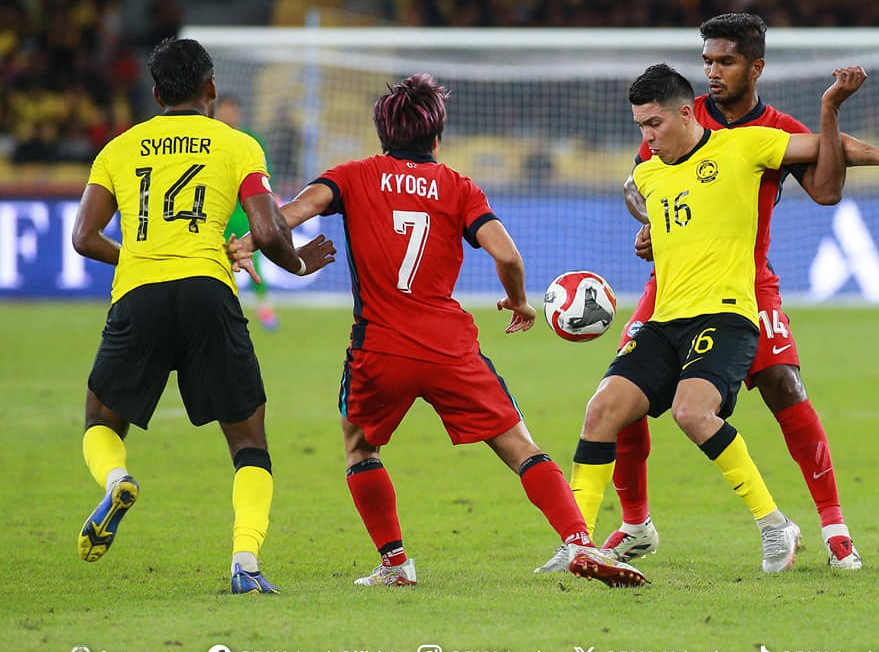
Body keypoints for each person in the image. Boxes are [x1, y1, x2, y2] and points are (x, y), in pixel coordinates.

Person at [537, 15, 879, 576]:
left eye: (725, 61)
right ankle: (634, 525)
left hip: (746, 280)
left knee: (782, 384)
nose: (712, 72)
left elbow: (826, 177)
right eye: (707, 60)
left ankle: (833, 526)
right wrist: (656, 226)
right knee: (618, 399)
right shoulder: (677, 111)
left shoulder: (766, 131)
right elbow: (643, 186)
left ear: (755, 67)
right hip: (673, 284)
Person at [230, 73, 647, 588]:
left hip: (380, 347)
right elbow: (508, 253)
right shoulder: (459, 187)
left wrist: (249, 241)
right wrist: (518, 300)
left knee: (360, 447)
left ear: (382, 131)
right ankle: (579, 541)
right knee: (520, 445)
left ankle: (395, 564)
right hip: (450, 347)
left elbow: (290, 214)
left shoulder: (352, 175)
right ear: (436, 136)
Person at [71, 36, 336, 595]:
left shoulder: (119, 148)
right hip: (207, 292)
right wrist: (295, 265)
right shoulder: (237, 145)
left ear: (155, 94)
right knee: (248, 441)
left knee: (100, 421)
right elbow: (265, 230)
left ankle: (118, 480)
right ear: (210, 88)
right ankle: (245, 562)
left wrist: (142, 257)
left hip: (138, 294)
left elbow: (84, 237)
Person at [217, 93, 279, 330]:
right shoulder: (211, 139)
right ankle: (228, 308)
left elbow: (264, 176)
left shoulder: (252, 140)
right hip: (218, 212)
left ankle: (264, 308)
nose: (228, 114)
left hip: (245, 213)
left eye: (232, 109)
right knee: (220, 263)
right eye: (224, 109)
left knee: (255, 260)